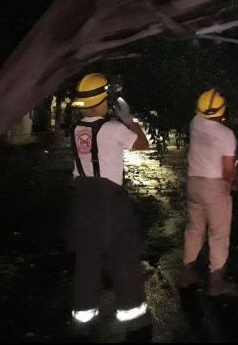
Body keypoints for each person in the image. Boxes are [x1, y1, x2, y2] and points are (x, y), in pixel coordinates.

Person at [65, 72, 151, 335]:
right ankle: (131, 313)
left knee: (87, 257)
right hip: (110, 201)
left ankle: (84, 315)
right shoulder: (113, 129)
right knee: (123, 255)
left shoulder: (76, 129)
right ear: (104, 100)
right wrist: (128, 119)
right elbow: (142, 144)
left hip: (82, 200)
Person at [179, 88, 238, 296]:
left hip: (194, 183)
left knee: (194, 229)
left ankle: (187, 273)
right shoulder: (226, 135)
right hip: (214, 187)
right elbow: (229, 169)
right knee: (219, 234)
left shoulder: (195, 122)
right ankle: (216, 283)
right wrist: (231, 184)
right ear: (221, 111)